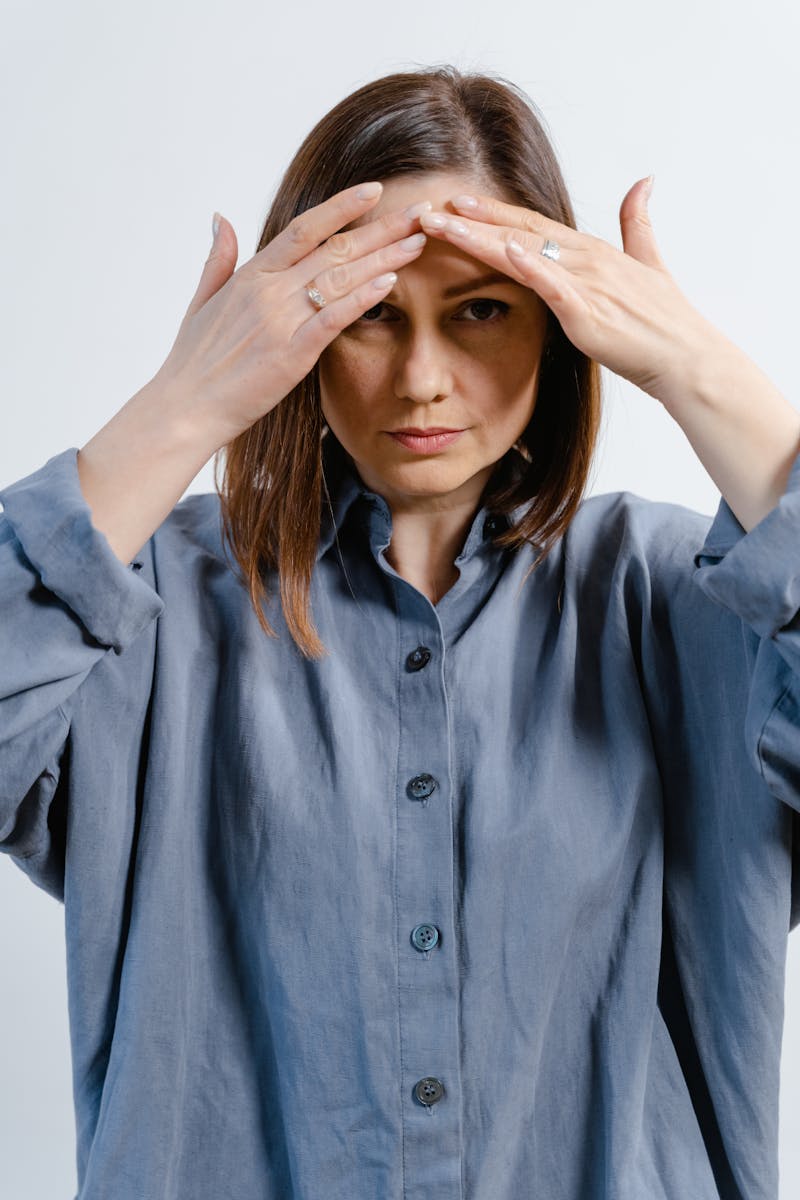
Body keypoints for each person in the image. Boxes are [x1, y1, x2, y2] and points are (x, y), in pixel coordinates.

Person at [1, 63, 799, 1200]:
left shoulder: (684, 597)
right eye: (371, 313)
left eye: (481, 309)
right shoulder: (149, 605)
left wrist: (699, 373)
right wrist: (182, 406)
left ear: (558, 326)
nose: (422, 379)